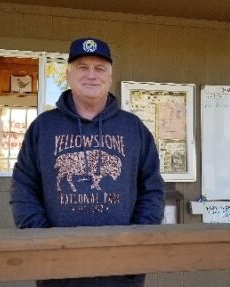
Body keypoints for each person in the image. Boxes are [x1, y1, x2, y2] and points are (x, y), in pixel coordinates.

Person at [10, 37, 165, 287]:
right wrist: (40, 238)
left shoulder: (133, 128)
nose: (91, 75)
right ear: (69, 76)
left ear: (110, 78)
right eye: (82, 67)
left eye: (100, 68)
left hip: (122, 269)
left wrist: (137, 238)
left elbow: (153, 188)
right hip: (57, 268)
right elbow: (23, 185)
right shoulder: (43, 127)